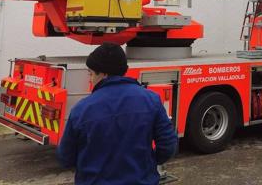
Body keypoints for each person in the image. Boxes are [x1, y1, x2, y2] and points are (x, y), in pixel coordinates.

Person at [57, 43, 178, 185]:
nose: (90, 79)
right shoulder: (152, 100)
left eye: (90, 73)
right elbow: (168, 145)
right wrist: (148, 163)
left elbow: (65, 157)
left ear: (103, 74)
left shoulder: (82, 109)